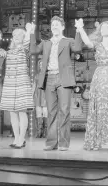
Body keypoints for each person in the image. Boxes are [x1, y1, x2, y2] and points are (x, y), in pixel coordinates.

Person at [29, 16, 83, 151]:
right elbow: (33, 50)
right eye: (52, 25)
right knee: (51, 112)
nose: (54, 27)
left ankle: (63, 143)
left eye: (57, 25)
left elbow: (77, 48)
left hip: (63, 78)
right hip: (49, 79)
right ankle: (51, 142)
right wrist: (31, 33)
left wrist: (78, 30)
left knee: (64, 111)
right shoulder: (46, 43)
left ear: (63, 27)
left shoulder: (68, 41)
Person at [76, 19, 108, 151]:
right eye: (102, 28)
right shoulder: (97, 44)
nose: (104, 30)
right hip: (99, 78)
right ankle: (96, 141)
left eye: (107, 28)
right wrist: (80, 28)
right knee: (98, 108)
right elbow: (86, 42)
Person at [0, 26, 34, 148]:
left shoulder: (25, 49)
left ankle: (21, 138)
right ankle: (16, 138)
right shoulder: (8, 52)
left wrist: (29, 30)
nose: (17, 37)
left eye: (20, 35)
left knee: (21, 111)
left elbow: (27, 42)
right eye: (15, 36)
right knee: (12, 113)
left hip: (21, 81)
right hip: (10, 83)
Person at [32, 59, 48, 138]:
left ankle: (45, 132)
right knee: (38, 113)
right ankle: (39, 132)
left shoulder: (47, 75)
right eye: (40, 64)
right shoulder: (36, 75)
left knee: (45, 113)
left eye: (42, 64)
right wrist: (31, 95)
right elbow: (34, 86)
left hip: (45, 95)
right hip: (38, 95)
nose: (41, 66)